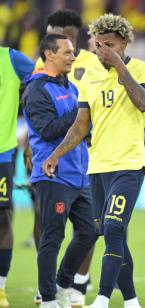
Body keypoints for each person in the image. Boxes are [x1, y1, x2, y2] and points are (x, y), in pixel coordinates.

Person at [43, 14, 145, 308]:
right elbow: (81, 125)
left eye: (110, 45)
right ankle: (131, 302)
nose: (102, 51)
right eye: (98, 46)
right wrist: (55, 155)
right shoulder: (90, 75)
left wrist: (119, 64)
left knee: (115, 228)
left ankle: (103, 298)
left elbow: (144, 102)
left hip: (128, 164)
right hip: (98, 168)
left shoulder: (143, 69)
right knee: (109, 232)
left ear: (125, 43)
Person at [33, 9, 104, 306]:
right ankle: (48, 297)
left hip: (78, 173)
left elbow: (82, 130)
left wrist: (85, 126)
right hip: (53, 175)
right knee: (52, 238)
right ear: (49, 54)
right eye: (67, 52)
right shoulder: (37, 89)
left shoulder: (71, 87)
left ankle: (63, 281)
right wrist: (80, 117)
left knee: (91, 230)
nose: (74, 57)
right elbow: (48, 130)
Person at [0, 44, 34, 307]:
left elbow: (42, 85)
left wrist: (33, 138)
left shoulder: (11, 59)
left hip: (2, 152)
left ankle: (0, 287)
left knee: (1, 218)